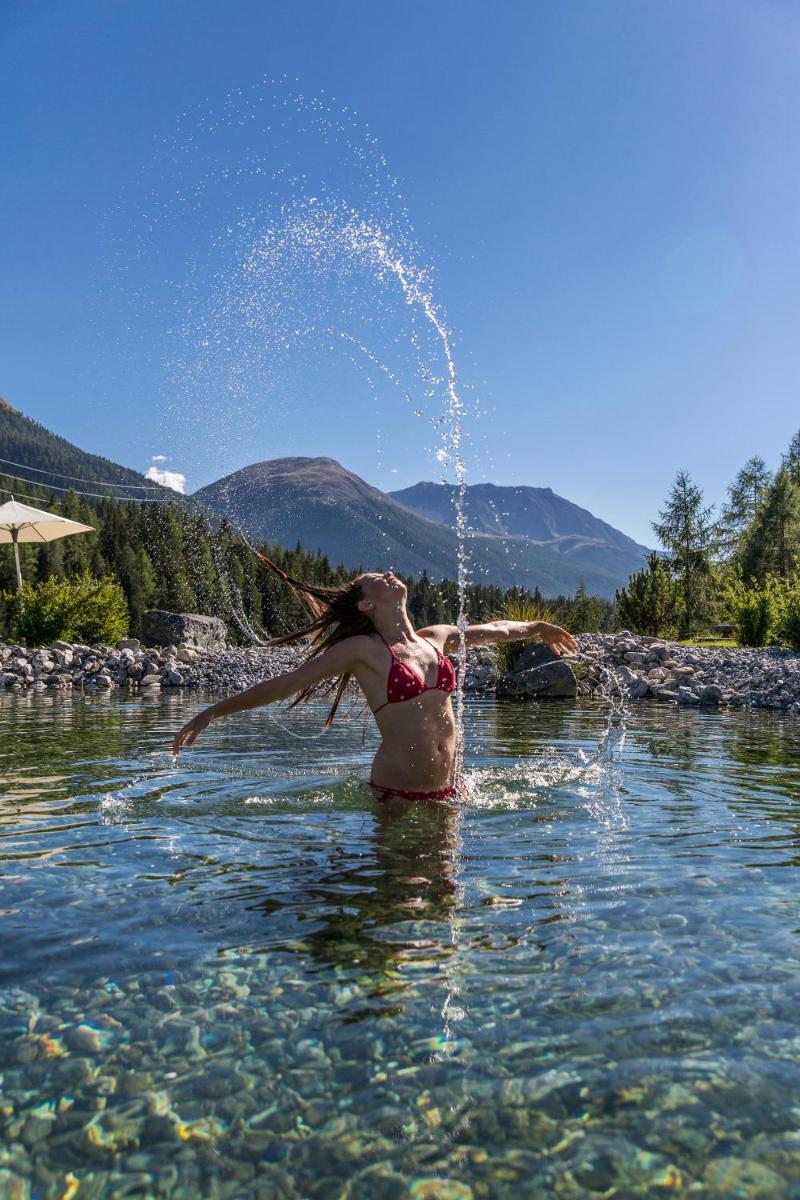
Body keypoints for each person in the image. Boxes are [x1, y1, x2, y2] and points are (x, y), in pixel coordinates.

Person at [172, 557, 577, 801]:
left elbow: (497, 630)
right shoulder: (362, 651)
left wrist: (539, 627)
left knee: (446, 899)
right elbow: (286, 683)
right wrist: (213, 712)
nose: (387, 574)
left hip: (451, 791)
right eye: (374, 579)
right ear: (367, 603)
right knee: (399, 900)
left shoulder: (435, 639)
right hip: (396, 794)